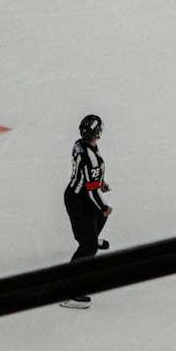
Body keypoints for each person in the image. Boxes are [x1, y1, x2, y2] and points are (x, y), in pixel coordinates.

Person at [60, 114, 112, 307]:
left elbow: (88, 177)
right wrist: (105, 207)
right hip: (79, 201)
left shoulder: (80, 144)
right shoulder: (91, 158)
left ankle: (90, 236)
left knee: (99, 218)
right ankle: (70, 291)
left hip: (79, 195)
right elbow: (91, 192)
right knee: (87, 248)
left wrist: (100, 182)